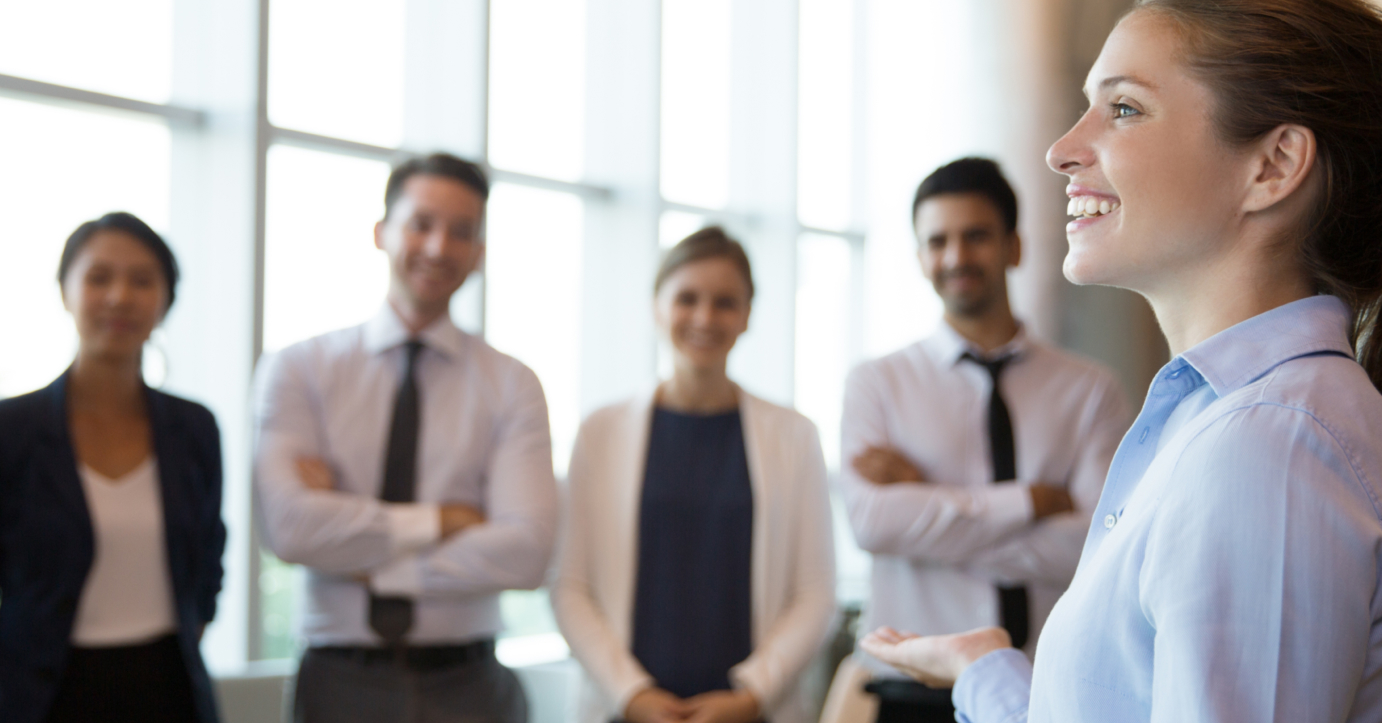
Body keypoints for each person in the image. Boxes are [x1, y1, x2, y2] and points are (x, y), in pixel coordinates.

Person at [862, 0, 1382, 723]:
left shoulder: (1269, 445)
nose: (1062, 149)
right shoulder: (1219, 421)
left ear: (1271, 166)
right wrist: (986, 673)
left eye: (1126, 109)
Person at [253, 153, 558, 723]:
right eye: (422, 223)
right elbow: (291, 530)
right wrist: (445, 520)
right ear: (381, 232)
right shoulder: (300, 370)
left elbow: (526, 554)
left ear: (480, 252)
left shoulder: (512, 384)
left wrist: (365, 552)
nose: (440, 248)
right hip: (338, 682)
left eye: (461, 232)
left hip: (472, 684)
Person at [839, 158, 1130, 722]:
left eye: (975, 237)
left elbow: (1094, 551)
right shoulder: (877, 383)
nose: (955, 258)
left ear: (1014, 247)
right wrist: (1026, 503)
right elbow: (872, 524)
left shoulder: (1091, 390)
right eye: (937, 241)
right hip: (909, 691)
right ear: (920, 256)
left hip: (1044, 687)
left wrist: (928, 501)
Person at [552, 226, 837, 723]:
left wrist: (751, 695)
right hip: (628, 712)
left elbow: (814, 593)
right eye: (687, 298)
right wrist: (633, 695)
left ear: (747, 314)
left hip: (751, 713)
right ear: (656, 306)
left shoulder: (795, 436)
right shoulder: (600, 432)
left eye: (725, 302)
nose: (705, 317)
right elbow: (570, 587)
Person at [0, 212, 226, 723]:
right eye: (99, 277)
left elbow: (210, 551)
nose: (120, 297)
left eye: (142, 280)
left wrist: (199, 619)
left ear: (166, 300)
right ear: (65, 290)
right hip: (40, 692)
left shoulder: (194, 428)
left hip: (168, 685)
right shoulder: (11, 429)